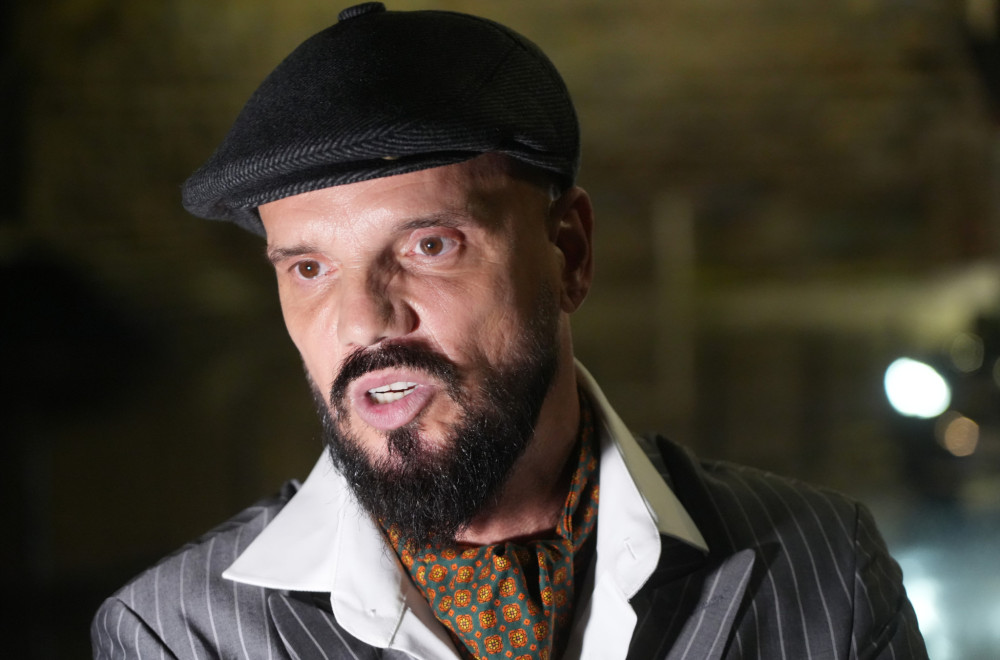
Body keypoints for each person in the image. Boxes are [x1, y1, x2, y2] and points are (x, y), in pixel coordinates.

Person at [91, 3, 928, 659]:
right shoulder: (175, 637)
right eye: (309, 267)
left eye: (428, 245)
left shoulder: (828, 569)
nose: (362, 321)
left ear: (570, 253)